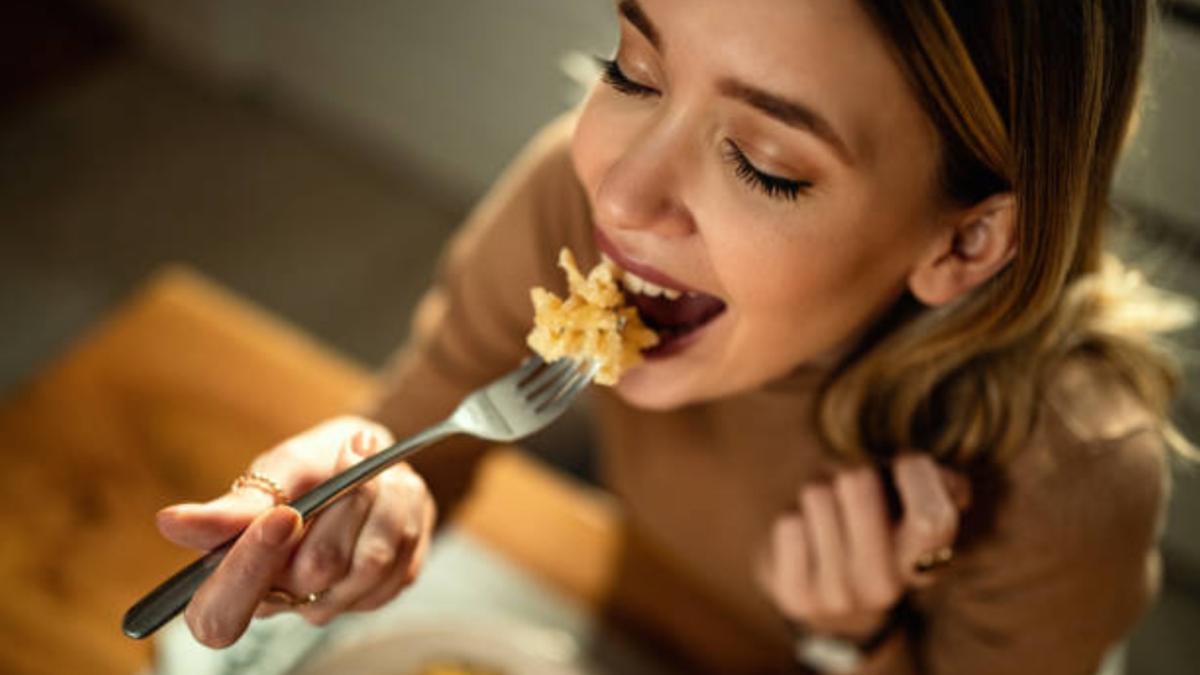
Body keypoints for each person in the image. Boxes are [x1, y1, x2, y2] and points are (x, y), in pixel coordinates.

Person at [154, 1, 1194, 672]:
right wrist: (361, 488)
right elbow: (433, 422)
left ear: (967, 241)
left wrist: (862, 647)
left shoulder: (1070, 469)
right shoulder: (575, 205)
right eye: (635, 70)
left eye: (766, 162)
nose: (623, 187)